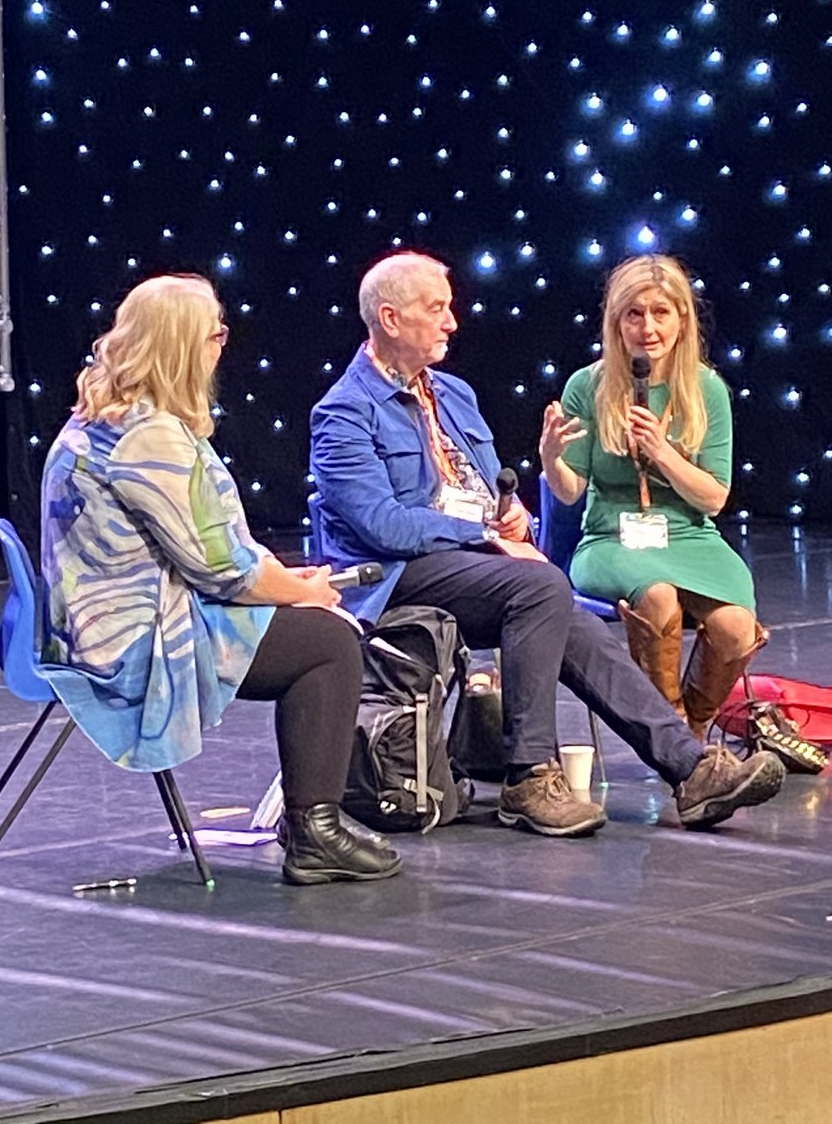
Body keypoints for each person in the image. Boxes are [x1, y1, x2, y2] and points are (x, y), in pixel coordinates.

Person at [310, 251, 784, 837]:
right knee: (539, 587)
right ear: (390, 318)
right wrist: (485, 534)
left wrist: (510, 518)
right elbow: (382, 527)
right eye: (436, 309)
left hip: (471, 563)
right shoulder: (344, 412)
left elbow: (489, 491)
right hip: (391, 575)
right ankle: (529, 775)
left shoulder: (453, 394)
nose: (452, 321)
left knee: (565, 614)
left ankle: (691, 771)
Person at [40, 273, 400, 886]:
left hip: (95, 626)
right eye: (214, 334)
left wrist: (282, 580)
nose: (222, 344)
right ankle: (315, 830)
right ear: (180, 346)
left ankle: (311, 822)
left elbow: (210, 548)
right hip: (132, 646)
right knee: (330, 641)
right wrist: (305, 592)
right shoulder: (146, 436)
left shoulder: (108, 417)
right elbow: (222, 570)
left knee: (312, 621)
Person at [541, 254, 764, 739]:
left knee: (735, 626)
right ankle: (670, 738)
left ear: (682, 318)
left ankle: (693, 734)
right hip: (611, 537)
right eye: (634, 314)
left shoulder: (707, 388)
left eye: (661, 312)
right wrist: (551, 459)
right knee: (658, 595)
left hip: (688, 535)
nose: (648, 328)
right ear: (616, 322)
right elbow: (569, 491)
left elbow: (713, 499)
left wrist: (662, 452)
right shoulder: (588, 385)